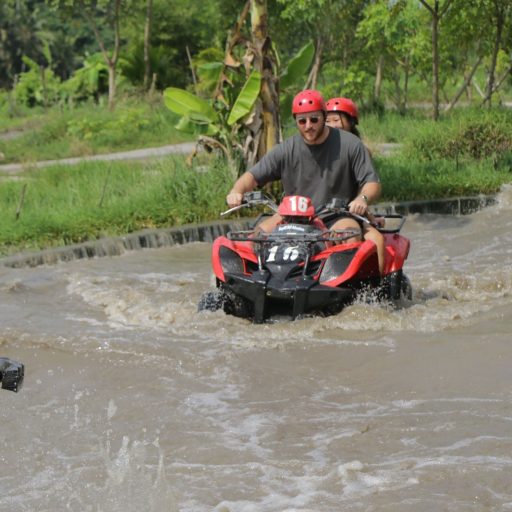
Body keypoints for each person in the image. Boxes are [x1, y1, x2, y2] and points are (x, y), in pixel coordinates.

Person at [226, 89, 384, 273]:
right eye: (302, 121)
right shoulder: (286, 149)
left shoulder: (350, 144)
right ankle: (259, 285)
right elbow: (252, 177)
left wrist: (362, 199)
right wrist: (236, 191)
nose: (308, 126)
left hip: (335, 216)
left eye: (314, 120)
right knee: (257, 237)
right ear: (296, 121)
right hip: (291, 218)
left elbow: (372, 183)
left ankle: (357, 292)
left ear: (324, 117)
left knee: (350, 235)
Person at [325, 97, 385, 275]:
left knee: (378, 241)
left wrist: (367, 213)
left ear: (351, 122)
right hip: (322, 210)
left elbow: (365, 186)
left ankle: (377, 289)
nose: (332, 125)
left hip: (350, 211)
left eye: (337, 120)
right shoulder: (320, 148)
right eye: (328, 121)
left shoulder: (360, 150)